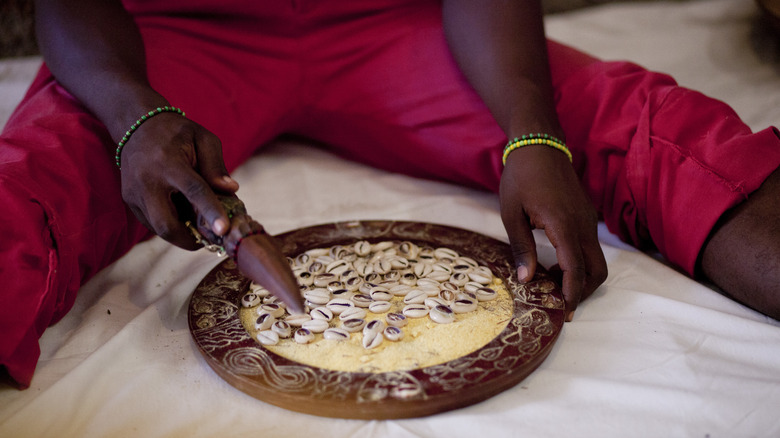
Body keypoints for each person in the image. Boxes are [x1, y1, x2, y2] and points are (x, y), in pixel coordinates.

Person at [1, 0, 779, 389]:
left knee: (633, 124)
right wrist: (134, 114)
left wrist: (533, 135)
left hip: (390, 22)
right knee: (32, 185)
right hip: (164, 35)